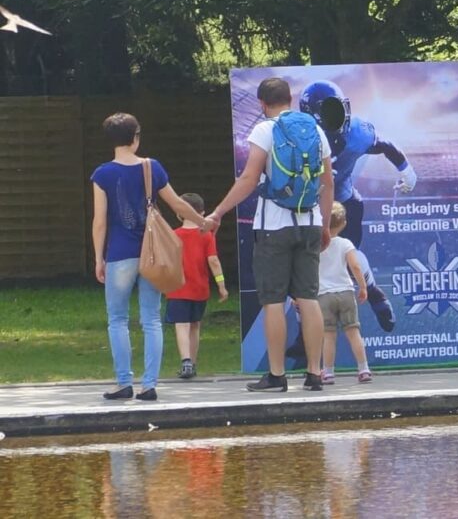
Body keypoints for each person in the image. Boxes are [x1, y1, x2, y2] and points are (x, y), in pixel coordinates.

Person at [207, 77, 333, 393]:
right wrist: (326, 224)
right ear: (289, 100)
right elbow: (328, 183)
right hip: (310, 222)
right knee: (308, 297)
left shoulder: (265, 130)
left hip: (273, 227)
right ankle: (315, 373)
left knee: (273, 301)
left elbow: (250, 178)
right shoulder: (316, 131)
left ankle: (277, 375)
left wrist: (219, 211)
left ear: (263, 104)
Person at [92, 113, 214, 402]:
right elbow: (177, 204)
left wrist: (99, 258)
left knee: (118, 319)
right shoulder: (152, 167)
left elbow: (100, 221)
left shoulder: (102, 174)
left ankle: (123, 383)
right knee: (151, 319)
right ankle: (149, 385)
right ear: (135, 137)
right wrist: (203, 221)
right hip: (153, 255)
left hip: (119, 255)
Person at [300, 79, 416, 332]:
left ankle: (374, 294)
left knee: (347, 255)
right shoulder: (298, 139)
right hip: (309, 207)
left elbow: (383, 144)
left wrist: (406, 169)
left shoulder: (356, 133)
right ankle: (304, 335)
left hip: (343, 202)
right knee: (307, 269)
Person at [165, 192, 229, 379]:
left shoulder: (173, 235)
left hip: (178, 289)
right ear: (202, 212)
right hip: (200, 289)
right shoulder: (206, 235)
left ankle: (185, 362)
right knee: (195, 325)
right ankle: (193, 362)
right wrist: (221, 285)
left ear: (180, 213)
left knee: (181, 325)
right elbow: (214, 261)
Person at [317, 201, 373, 384]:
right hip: (346, 292)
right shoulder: (345, 243)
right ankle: (363, 368)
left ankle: (328, 372)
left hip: (323, 295)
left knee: (329, 335)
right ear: (343, 224)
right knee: (353, 331)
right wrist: (363, 286)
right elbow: (355, 266)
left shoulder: (316, 245)